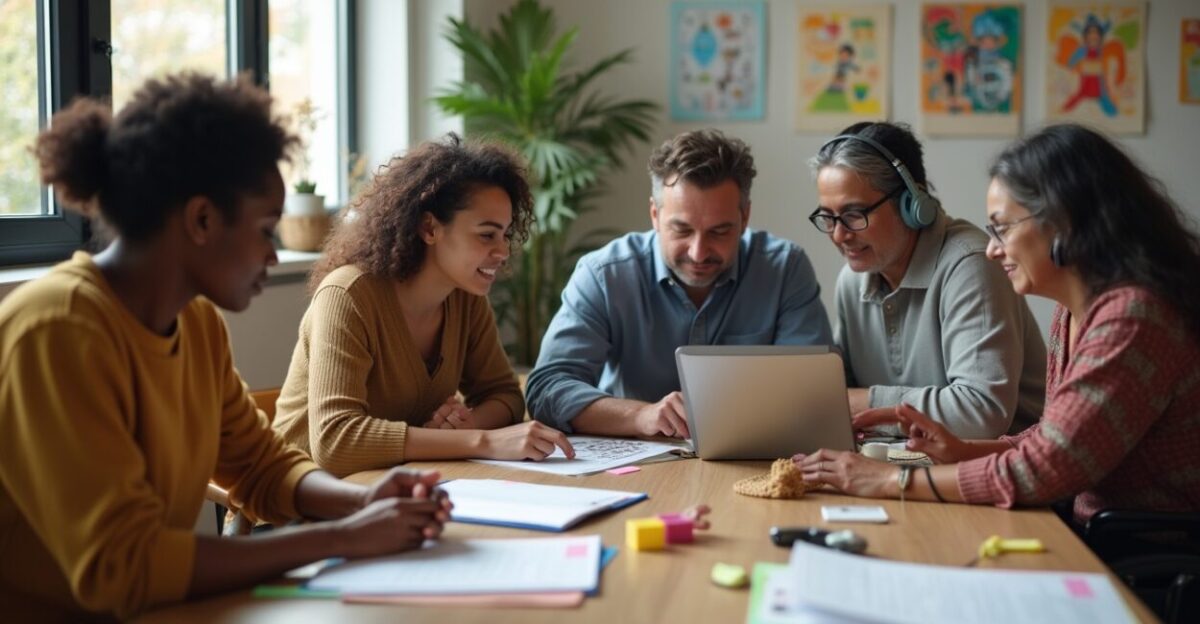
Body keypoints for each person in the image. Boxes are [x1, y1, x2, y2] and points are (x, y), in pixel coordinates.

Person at [0, 73, 451, 622]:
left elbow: (260, 465)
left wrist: (363, 500)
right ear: (202, 219)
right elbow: (123, 568)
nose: (273, 254)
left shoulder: (196, 324)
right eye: (265, 230)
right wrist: (342, 537)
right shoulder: (59, 330)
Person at [795, 124, 1200, 525]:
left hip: (1143, 544)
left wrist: (890, 480)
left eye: (1002, 228)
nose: (991, 249)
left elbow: (1045, 468)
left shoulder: (1133, 318)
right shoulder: (1075, 311)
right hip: (1095, 528)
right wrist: (963, 452)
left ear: (1064, 224)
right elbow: (1051, 438)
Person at [272, 135, 574, 477]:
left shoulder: (465, 297)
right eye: (486, 235)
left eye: (505, 235)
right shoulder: (348, 296)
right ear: (430, 228)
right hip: (301, 497)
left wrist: (466, 424)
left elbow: (505, 395)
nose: (503, 251)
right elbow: (335, 441)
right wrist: (480, 441)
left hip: (397, 487)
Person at [527, 129, 832, 439]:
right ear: (655, 215)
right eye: (682, 230)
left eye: (719, 232)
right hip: (633, 458)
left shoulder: (785, 270)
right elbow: (547, 388)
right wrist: (640, 416)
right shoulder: (604, 275)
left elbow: (812, 390)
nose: (698, 253)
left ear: (745, 217)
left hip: (752, 453)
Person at [810, 121, 1045, 438]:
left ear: (912, 204)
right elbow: (840, 391)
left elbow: (980, 413)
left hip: (1001, 462)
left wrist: (865, 404)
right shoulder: (853, 280)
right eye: (828, 217)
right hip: (900, 458)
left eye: (854, 214)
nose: (839, 235)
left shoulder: (971, 264)